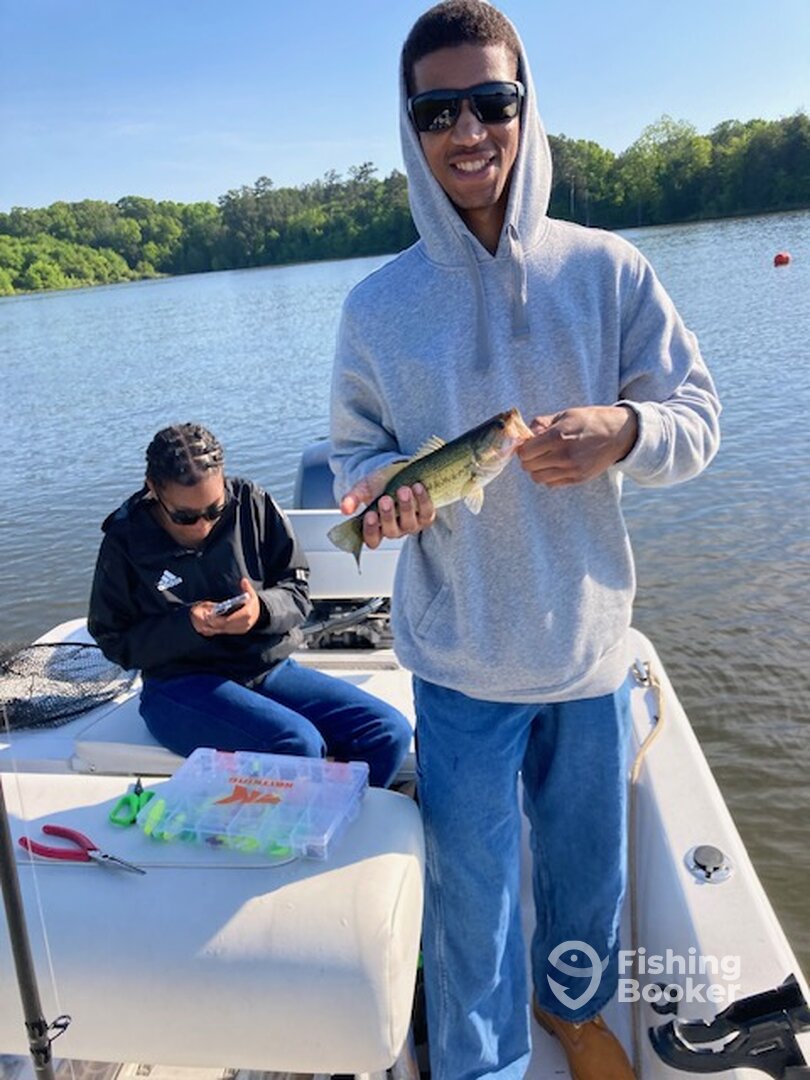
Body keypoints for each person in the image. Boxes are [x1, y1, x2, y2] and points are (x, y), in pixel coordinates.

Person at [329, 2, 721, 1077]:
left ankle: (575, 1012)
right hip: (460, 666)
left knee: (589, 881)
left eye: (491, 102)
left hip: (591, 657)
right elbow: (356, 451)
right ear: (411, 126)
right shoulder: (375, 307)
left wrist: (625, 429)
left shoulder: (609, 269)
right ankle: (481, 1063)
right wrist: (381, 493)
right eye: (439, 111)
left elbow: (698, 419)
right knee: (474, 900)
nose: (468, 131)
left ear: (525, 105)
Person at [88, 422, 412, 789]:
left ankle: (337, 811)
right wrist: (187, 625)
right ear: (152, 488)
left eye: (215, 510)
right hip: (180, 685)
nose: (203, 526)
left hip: (266, 667)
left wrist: (262, 610)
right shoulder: (125, 539)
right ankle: (307, 815)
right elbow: (114, 640)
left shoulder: (253, 502)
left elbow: (296, 591)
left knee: (387, 731)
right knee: (297, 745)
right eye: (185, 517)